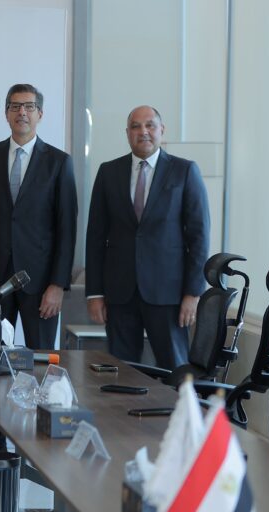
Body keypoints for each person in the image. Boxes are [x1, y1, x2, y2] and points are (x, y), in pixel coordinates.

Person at [0, 84, 78, 451]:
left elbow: (67, 228)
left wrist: (58, 283)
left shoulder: (59, 162)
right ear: (6, 113)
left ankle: (40, 446)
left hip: (41, 284)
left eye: (28, 106)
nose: (21, 113)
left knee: (43, 365)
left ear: (40, 114)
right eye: (14, 106)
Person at [86, 105, 210, 369]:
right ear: (127, 133)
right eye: (136, 126)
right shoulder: (108, 172)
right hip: (120, 294)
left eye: (150, 125)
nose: (143, 131)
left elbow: (199, 237)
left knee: (175, 371)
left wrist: (193, 293)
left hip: (168, 295)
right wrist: (94, 293)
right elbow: (95, 237)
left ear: (161, 130)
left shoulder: (184, 171)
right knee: (121, 372)